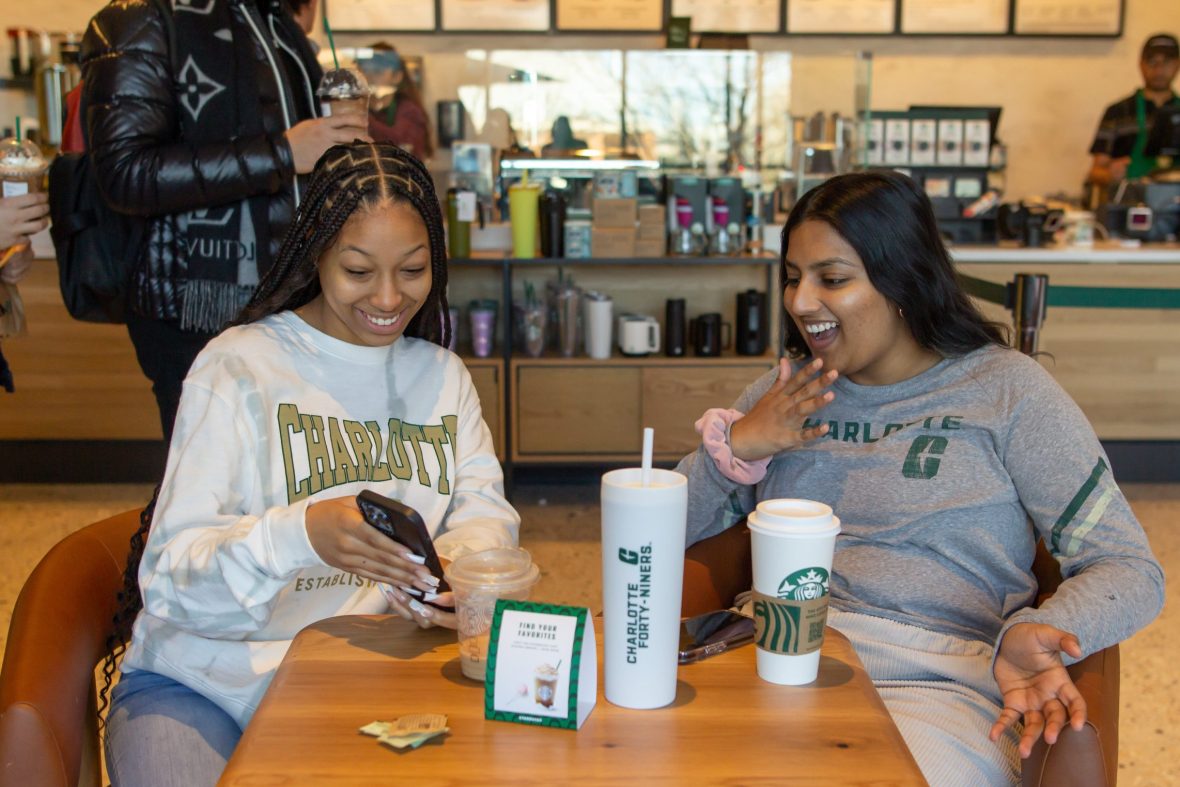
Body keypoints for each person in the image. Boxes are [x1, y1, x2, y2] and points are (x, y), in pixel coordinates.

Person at [677, 170, 1164, 786]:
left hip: (932, 683)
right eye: (793, 278)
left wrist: (1036, 632)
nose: (800, 303)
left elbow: (1129, 567)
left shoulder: (1007, 391)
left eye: (832, 278)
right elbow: (655, 536)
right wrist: (741, 445)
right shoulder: (785, 393)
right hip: (768, 656)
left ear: (902, 278)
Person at [99, 142, 520, 786]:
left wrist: (460, 569)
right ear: (315, 250)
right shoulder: (237, 366)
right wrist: (301, 535)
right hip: (203, 681)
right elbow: (170, 579)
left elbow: (485, 515)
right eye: (358, 270)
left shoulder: (440, 375)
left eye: (412, 270)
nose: (388, 297)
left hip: (361, 678)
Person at [81, 0, 370, 445]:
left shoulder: (274, 23)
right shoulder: (142, 19)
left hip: (293, 295)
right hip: (195, 307)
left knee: (291, 476)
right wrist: (282, 152)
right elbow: (125, 173)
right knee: (209, 487)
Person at [1089, 33, 1180, 188]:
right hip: (1129, 204)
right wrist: (1110, 175)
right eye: (1152, 62)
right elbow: (1095, 172)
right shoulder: (1117, 112)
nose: (1159, 70)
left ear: (1177, 64)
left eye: (1166, 62)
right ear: (1141, 64)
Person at [357, 44, 433, 161]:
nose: (369, 77)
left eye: (377, 71)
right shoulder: (358, 109)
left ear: (397, 76)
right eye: (364, 70)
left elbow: (400, 145)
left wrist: (360, 116)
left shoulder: (410, 111)